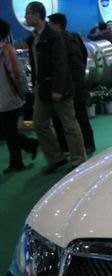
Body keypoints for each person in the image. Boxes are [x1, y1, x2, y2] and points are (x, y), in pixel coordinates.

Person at [25, 1, 86, 173]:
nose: (26, 17)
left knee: (69, 125)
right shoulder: (33, 38)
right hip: (42, 89)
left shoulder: (53, 36)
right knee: (39, 124)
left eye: (28, 14)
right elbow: (36, 65)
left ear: (37, 15)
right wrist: (36, 84)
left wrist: (58, 89)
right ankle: (56, 158)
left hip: (60, 89)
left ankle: (78, 159)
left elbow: (61, 64)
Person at [48, 13, 96, 155]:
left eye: (50, 23)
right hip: (77, 82)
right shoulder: (74, 37)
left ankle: (72, 146)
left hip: (68, 85)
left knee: (70, 118)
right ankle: (86, 144)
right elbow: (84, 55)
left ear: (56, 24)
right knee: (80, 116)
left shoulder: (57, 40)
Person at [0, 18, 38, 173]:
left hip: (10, 97)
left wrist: (22, 92)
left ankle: (17, 161)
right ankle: (30, 145)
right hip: (5, 97)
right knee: (8, 131)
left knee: (9, 131)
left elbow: (18, 73)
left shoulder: (7, 50)